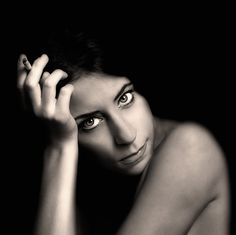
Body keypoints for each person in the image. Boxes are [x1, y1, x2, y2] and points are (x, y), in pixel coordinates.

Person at [16, 27, 230, 235]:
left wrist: (59, 147)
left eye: (125, 98)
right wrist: (61, 143)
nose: (127, 136)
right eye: (90, 122)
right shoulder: (88, 175)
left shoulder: (190, 150)